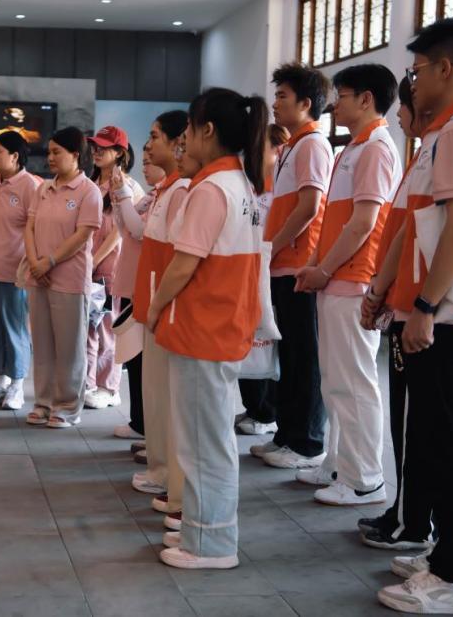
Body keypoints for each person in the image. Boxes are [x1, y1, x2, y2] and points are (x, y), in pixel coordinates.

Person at [370, 19, 453, 615]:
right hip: (430, 310)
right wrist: (388, 292)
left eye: (417, 70)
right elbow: (416, 225)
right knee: (433, 438)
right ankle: (448, 553)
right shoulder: (443, 135)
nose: (413, 82)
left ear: (446, 68)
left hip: (451, 314)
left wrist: (425, 307)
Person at [147, 87, 268, 569]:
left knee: (202, 443)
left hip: (202, 327)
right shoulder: (240, 184)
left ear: (207, 130)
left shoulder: (212, 189)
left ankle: (212, 544)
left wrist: (156, 307)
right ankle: (203, 531)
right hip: (221, 325)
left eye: (190, 130)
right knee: (207, 439)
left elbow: (183, 264)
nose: (184, 141)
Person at [294, 63, 402, 505]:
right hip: (336, 278)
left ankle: (365, 480)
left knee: (354, 383)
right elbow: (336, 221)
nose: (334, 105)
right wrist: (318, 266)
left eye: (342, 96)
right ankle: (338, 465)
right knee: (336, 381)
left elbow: (364, 223)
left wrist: (324, 269)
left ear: (367, 99)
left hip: (354, 280)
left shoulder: (376, 148)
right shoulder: (354, 148)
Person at [357, 77, 438, 551]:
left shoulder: (442, 145)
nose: (399, 117)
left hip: (421, 306)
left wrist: (410, 301)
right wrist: (380, 290)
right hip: (400, 300)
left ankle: (414, 522)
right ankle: (406, 513)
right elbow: (402, 232)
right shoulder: (421, 154)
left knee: (416, 423)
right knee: (407, 419)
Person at [255, 63, 334, 471]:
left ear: (305, 103)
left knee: (305, 358)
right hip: (283, 265)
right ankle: (286, 434)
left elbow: (310, 207)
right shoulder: (291, 147)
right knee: (288, 356)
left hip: (299, 266)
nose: (275, 103)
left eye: (283, 96)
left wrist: (272, 246)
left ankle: (307, 443)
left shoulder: (313, 145)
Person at [129, 111, 190, 520]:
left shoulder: (183, 189)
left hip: (165, 309)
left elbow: (181, 261)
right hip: (153, 304)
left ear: (177, 142)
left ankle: (170, 475)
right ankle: (160, 467)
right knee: (155, 393)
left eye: (154, 137)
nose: (148, 146)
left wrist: (159, 305)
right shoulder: (166, 188)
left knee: (169, 397)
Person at [23, 127, 103, 428]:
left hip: (69, 278)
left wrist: (50, 261)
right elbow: (29, 227)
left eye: (57, 152)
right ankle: (43, 403)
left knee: (69, 347)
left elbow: (82, 235)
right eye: (50, 152)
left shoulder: (88, 191)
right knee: (42, 345)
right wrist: (35, 263)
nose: (51, 157)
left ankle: (67, 407)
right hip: (38, 276)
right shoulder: (43, 188)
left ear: (75, 155)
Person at [0, 131, 41, 410]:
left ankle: (17, 385)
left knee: (14, 328)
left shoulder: (30, 185)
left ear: (14, 156)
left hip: (14, 271)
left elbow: (37, 228)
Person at [111, 138, 166, 449]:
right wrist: (119, 196)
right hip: (135, 279)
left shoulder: (165, 193)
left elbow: (139, 231)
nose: (145, 165)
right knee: (135, 358)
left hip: (147, 283)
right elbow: (125, 227)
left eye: (150, 160)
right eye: (143, 160)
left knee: (144, 359)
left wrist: (121, 194)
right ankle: (140, 421)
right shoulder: (152, 195)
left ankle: (146, 424)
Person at [235, 123, 289, 436]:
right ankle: (254, 407)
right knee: (249, 341)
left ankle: (267, 413)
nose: (254, 154)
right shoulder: (254, 186)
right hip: (249, 270)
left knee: (265, 341)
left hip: (268, 272)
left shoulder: (279, 190)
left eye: (262, 147)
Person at [85, 127, 141, 409]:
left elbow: (120, 231)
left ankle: (108, 387)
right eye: (95, 146)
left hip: (110, 269)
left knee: (107, 329)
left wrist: (94, 260)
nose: (97, 152)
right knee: (88, 328)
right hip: (87, 267)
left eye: (104, 147)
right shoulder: (90, 184)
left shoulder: (127, 186)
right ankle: (87, 383)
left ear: (119, 153)